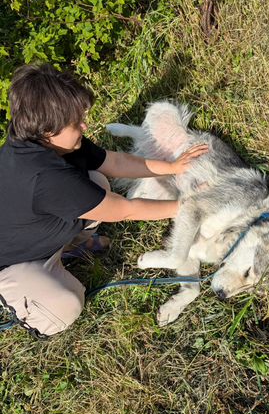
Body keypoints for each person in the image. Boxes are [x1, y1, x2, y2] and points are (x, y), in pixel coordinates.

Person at [0, 64, 208, 338]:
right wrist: (188, 206)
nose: (84, 126)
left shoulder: (40, 138)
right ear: (48, 129)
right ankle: (17, 296)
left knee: (96, 183)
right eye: (76, 123)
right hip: (11, 261)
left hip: (33, 228)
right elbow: (124, 211)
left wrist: (173, 167)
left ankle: (66, 250)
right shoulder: (46, 177)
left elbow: (114, 162)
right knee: (67, 304)